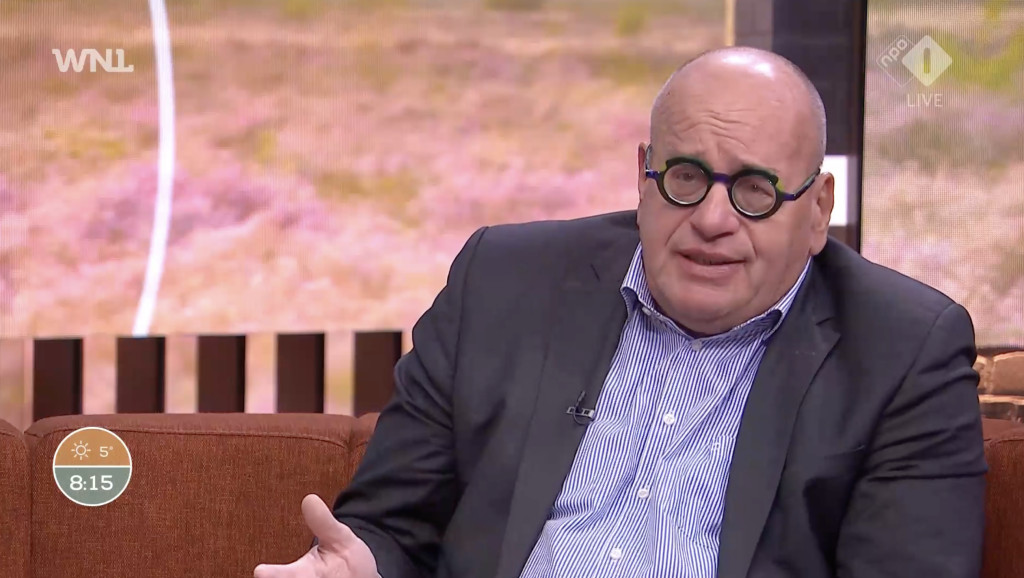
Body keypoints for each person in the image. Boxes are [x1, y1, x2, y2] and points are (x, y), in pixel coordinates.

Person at [254, 46, 987, 578]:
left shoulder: (903, 349)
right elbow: (393, 523)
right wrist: (363, 567)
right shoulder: (502, 282)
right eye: (686, 178)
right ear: (644, 175)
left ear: (818, 208)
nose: (712, 220)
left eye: (755, 191)